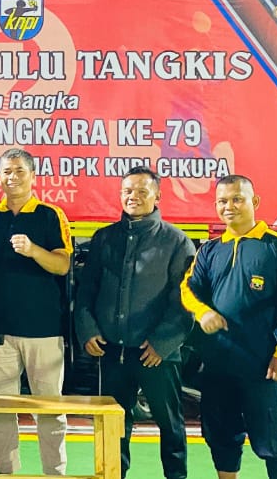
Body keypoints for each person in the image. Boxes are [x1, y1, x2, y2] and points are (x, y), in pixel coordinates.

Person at [75, 167, 194, 479]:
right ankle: (114, 474)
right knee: (114, 423)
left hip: (156, 354)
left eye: (142, 191)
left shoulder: (177, 242)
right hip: (112, 351)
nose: (134, 197)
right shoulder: (104, 238)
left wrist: (163, 344)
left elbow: (185, 302)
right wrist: (87, 330)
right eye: (128, 191)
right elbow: (86, 291)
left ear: (157, 196)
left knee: (170, 423)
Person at [181, 174, 277, 479]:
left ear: (254, 201)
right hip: (218, 364)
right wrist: (203, 313)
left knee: (273, 438)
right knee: (221, 436)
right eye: (222, 201)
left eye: (237, 199)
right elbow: (188, 289)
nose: (229, 206)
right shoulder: (210, 250)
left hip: (262, 365)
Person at [0, 148, 72, 475]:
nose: (12, 177)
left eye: (19, 171)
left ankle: (54, 473)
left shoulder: (50, 215)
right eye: (6, 171)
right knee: (0, 411)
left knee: (50, 409)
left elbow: (62, 265)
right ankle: (7, 473)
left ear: (32, 176)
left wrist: (33, 250)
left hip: (44, 330)